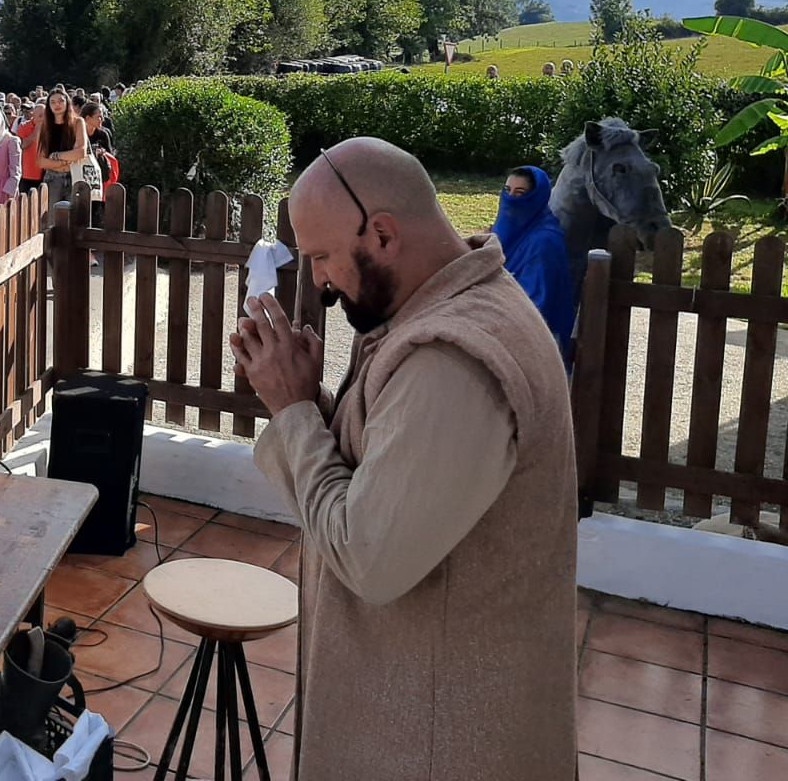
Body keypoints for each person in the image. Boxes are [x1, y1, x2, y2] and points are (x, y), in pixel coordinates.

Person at [230, 137, 576, 780]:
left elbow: (369, 557)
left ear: (383, 234)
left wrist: (293, 413)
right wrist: (315, 401)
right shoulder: (446, 306)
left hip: (435, 743)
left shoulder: (453, 360)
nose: (317, 280)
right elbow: (392, 460)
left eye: (324, 256)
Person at [495, 166, 577, 357]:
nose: (511, 199)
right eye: (508, 191)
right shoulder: (509, 229)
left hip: (528, 341)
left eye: (520, 193)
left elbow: (537, 303)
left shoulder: (544, 241)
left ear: (536, 197)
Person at [37, 88, 92, 207]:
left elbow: (81, 152)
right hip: (52, 179)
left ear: (67, 102)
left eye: (60, 101)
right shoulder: (45, 127)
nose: (57, 104)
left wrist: (56, 156)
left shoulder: (78, 122)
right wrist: (66, 162)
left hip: (75, 176)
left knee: (76, 220)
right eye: (53, 102)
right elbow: (41, 161)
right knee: (51, 221)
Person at [17, 102, 45, 194]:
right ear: (34, 115)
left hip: (45, 173)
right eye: (40, 116)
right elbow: (22, 145)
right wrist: (36, 130)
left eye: (45, 116)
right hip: (27, 175)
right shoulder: (23, 126)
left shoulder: (50, 128)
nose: (43, 118)